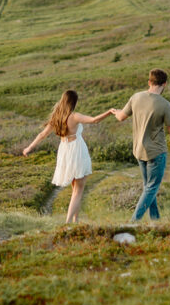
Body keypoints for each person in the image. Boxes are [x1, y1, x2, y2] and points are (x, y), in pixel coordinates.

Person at [23, 90, 113, 224]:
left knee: (75, 188)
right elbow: (94, 120)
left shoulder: (56, 117)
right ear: (73, 102)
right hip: (76, 151)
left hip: (64, 151)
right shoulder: (74, 116)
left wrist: (29, 147)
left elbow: (42, 134)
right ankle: (68, 222)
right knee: (79, 189)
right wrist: (109, 112)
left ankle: (76, 220)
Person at [112, 68, 170, 222]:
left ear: (149, 82)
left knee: (149, 187)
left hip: (139, 150)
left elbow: (120, 117)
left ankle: (155, 220)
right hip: (156, 152)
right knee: (151, 188)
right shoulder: (165, 105)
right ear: (164, 84)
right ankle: (133, 222)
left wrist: (115, 111)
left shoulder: (136, 97)